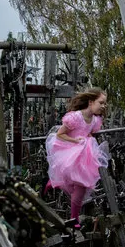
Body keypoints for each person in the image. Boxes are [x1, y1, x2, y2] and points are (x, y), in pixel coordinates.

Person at [45, 88, 110, 228]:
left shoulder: (95, 120)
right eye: (101, 103)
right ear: (91, 102)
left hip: (84, 153)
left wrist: (89, 140)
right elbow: (60, 134)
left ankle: (74, 218)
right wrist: (76, 141)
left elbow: (88, 132)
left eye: (105, 103)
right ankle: (53, 183)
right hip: (69, 150)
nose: (104, 106)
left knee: (81, 186)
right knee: (73, 182)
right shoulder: (75, 117)